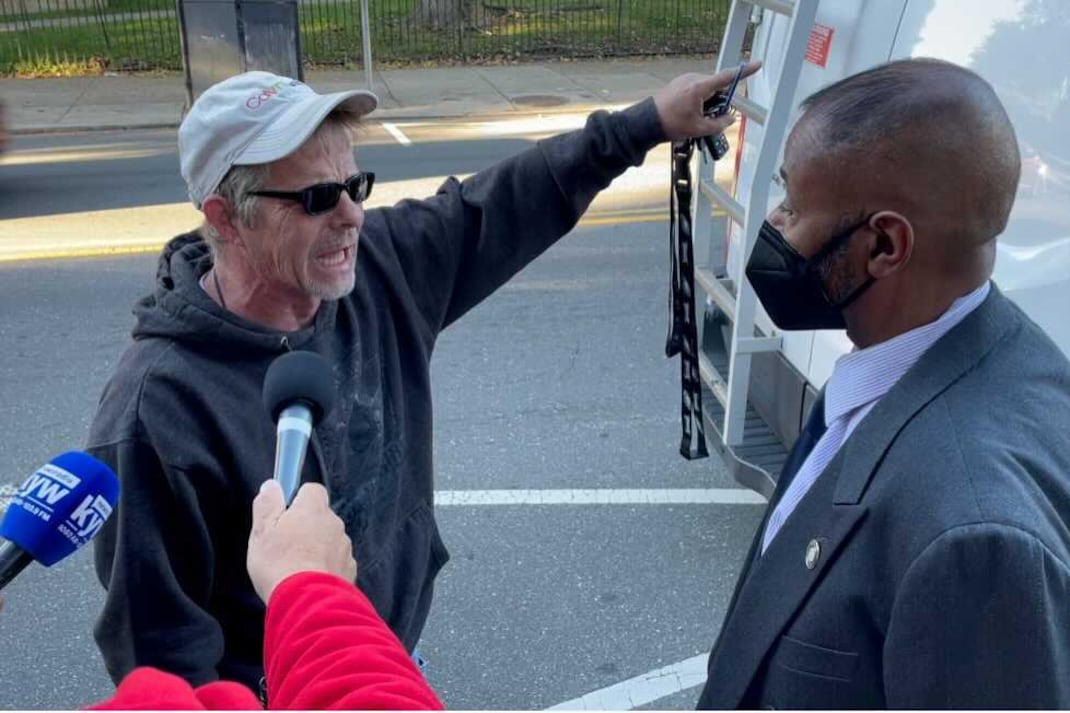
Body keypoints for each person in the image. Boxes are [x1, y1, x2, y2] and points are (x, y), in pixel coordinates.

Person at [87, 65, 759, 689]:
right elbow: (161, 664)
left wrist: (646, 123)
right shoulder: (156, 412)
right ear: (225, 218)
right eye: (319, 197)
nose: (351, 215)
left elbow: (498, 205)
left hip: (386, 653)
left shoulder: (380, 268)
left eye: (355, 186)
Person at [697, 58, 1070, 709]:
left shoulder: (972, 541)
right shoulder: (943, 358)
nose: (775, 226)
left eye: (792, 204)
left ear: (884, 247)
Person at [91, 481, 444, 710]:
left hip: (385, 648)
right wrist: (307, 583)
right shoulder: (155, 406)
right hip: (313, 672)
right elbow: (160, 647)